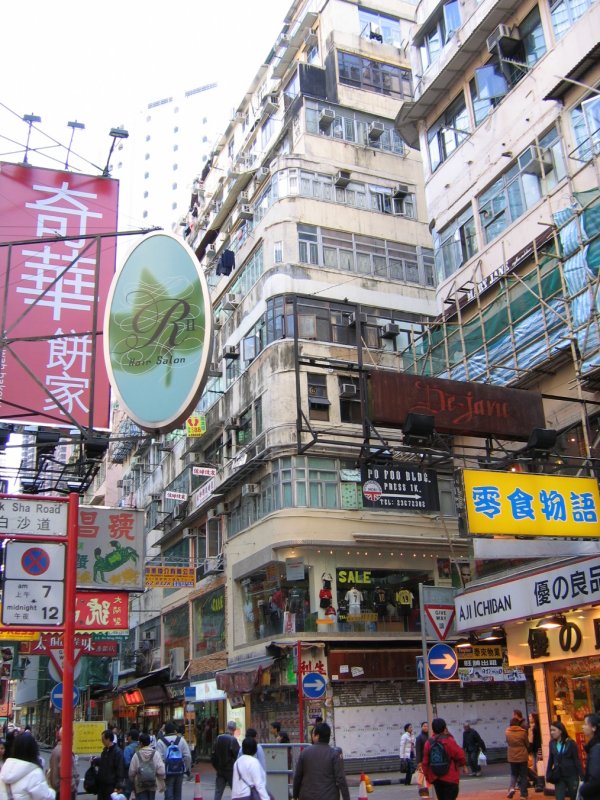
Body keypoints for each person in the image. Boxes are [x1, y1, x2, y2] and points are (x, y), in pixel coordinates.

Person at [292, 721, 350, 800]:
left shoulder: (304, 753)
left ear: (317, 736)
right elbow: (341, 779)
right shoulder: (334, 754)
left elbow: (298, 777)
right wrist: (346, 798)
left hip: (307, 796)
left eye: (313, 734)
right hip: (329, 796)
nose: (312, 736)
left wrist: (295, 795)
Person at [0, 731, 55, 800]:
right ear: (33, 749)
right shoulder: (35, 773)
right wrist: (51, 790)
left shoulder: (5, 768)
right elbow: (46, 797)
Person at [422, 718, 466, 800]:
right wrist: (462, 765)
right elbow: (460, 756)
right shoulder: (449, 741)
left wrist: (428, 777)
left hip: (436, 778)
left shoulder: (428, 743)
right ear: (444, 727)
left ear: (433, 728)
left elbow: (425, 763)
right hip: (450, 777)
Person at [545, 720, 582, 800]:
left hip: (571, 775)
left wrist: (582, 776)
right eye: (551, 730)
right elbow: (550, 759)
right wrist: (548, 773)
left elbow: (576, 760)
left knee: (574, 796)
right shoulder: (552, 743)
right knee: (559, 797)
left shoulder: (571, 743)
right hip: (558, 775)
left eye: (554, 730)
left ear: (561, 731)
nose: (552, 732)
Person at [156, 722, 192, 800]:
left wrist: (160, 772)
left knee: (168, 794)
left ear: (165, 731)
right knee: (178, 794)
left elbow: (159, 759)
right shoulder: (181, 740)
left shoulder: (160, 742)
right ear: (175, 730)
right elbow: (187, 756)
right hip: (179, 771)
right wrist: (186, 769)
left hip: (167, 771)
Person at [129, 732, 165, 800]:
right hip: (152, 784)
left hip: (140, 785)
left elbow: (131, 772)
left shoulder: (136, 755)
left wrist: (133, 781)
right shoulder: (156, 754)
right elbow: (161, 771)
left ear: (141, 743)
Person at [212, 722, 240, 800]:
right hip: (231, 770)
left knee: (218, 792)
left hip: (220, 770)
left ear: (227, 727)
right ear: (234, 730)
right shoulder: (233, 740)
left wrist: (217, 767)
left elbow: (213, 756)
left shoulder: (218, 738)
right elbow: (238, 756)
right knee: (236, 792)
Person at [94, 730, 126, 800]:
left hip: (111, 786)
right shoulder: (104, 751)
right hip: (102, 785)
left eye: (103, 739)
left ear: (108, 739)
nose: (102, 741)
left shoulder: (117, 752)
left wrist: (118, 787)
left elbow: (120, 770)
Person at [48, 728, 78, 800]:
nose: (73, 738)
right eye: (72, 735)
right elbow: (68, 772)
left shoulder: (56, 749)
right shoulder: (64, 751)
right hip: (65, 789)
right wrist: (73, 786)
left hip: (58, 788)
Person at [505, 716, 529, 799]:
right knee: (523, 775)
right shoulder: (523, 732)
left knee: (514, 774)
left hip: (512, 756)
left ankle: (511, 788)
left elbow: (508, 742)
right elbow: (527, 744)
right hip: (522, 755)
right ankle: (523, 794)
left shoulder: (507, 732)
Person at [579, 713, 600, 799]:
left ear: (594, 728)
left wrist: (583, 789)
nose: (582, 727)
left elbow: (596, 779)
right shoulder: (594, 747)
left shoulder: (596, 749)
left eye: (585, 724)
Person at [122, 730, 139, 799]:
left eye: (127, 736)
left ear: (130, 737)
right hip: (140, 774)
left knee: (126, 792)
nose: (127, 738)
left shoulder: (128, 748)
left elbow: (126, 763)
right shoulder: (141, 746)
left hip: (129, 775)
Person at [414, 723, 430, 799]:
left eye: (427, 726)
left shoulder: (431, 736)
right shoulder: (419, 738)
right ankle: (424, 796)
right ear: (421, 727)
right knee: (422, 780)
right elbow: (418, 751)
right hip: (422, 762)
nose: (426, 727)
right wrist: (419, 762)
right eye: (424, 726)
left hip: (430, 762)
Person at [527, 712, 542, 790]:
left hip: (535, 748)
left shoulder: (534, 728)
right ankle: (537, 781)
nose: (529, 718)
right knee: (535, 765)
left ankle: (538, 781)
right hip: (535, 748)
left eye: (530, 716)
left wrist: (529, 748)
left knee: (535, 765)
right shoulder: (533, 727)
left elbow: (531, 740)